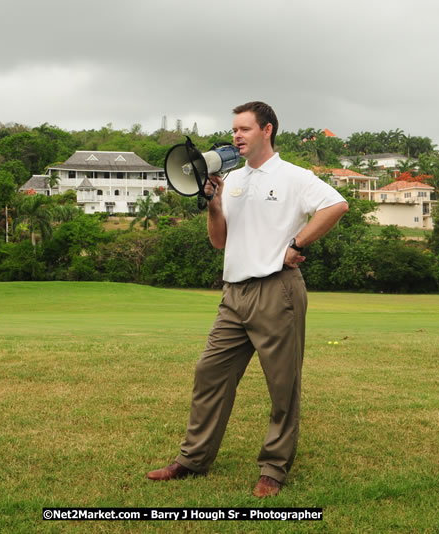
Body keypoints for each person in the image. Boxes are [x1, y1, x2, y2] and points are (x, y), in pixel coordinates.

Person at [147, 102, 348, 497]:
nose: (236, 136)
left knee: (282, 384)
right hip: (233, 292)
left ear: (266, 130)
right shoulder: (233, 181)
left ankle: (273, 469)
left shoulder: (293, 177)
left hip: (277, 290)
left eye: (244, 129)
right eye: (233, 129)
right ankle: (193, 458)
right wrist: (214, 205)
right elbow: (220, 241)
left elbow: (336, 205)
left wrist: (297, 243)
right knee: (210, 372)